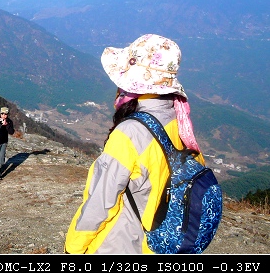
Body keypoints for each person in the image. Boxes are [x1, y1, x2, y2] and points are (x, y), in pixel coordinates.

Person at [64, 34, 206, 254]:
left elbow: (101, 203)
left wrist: (73, 248)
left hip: (121, 245)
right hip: (157, 245)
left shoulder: (129, 133)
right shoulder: (178, 120)